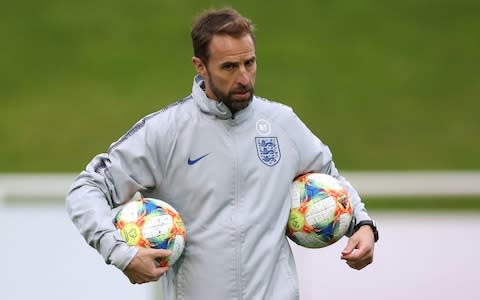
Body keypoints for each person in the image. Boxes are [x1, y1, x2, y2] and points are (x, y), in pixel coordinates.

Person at [66, 7, 378, 300]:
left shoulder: (282, 123)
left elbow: (330, 178)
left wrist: (362, 224)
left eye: (250, 63)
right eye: (229, 67)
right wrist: (121, 253)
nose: (243, 77)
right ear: (200, 67)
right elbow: (87, 188)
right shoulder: (165, 132)